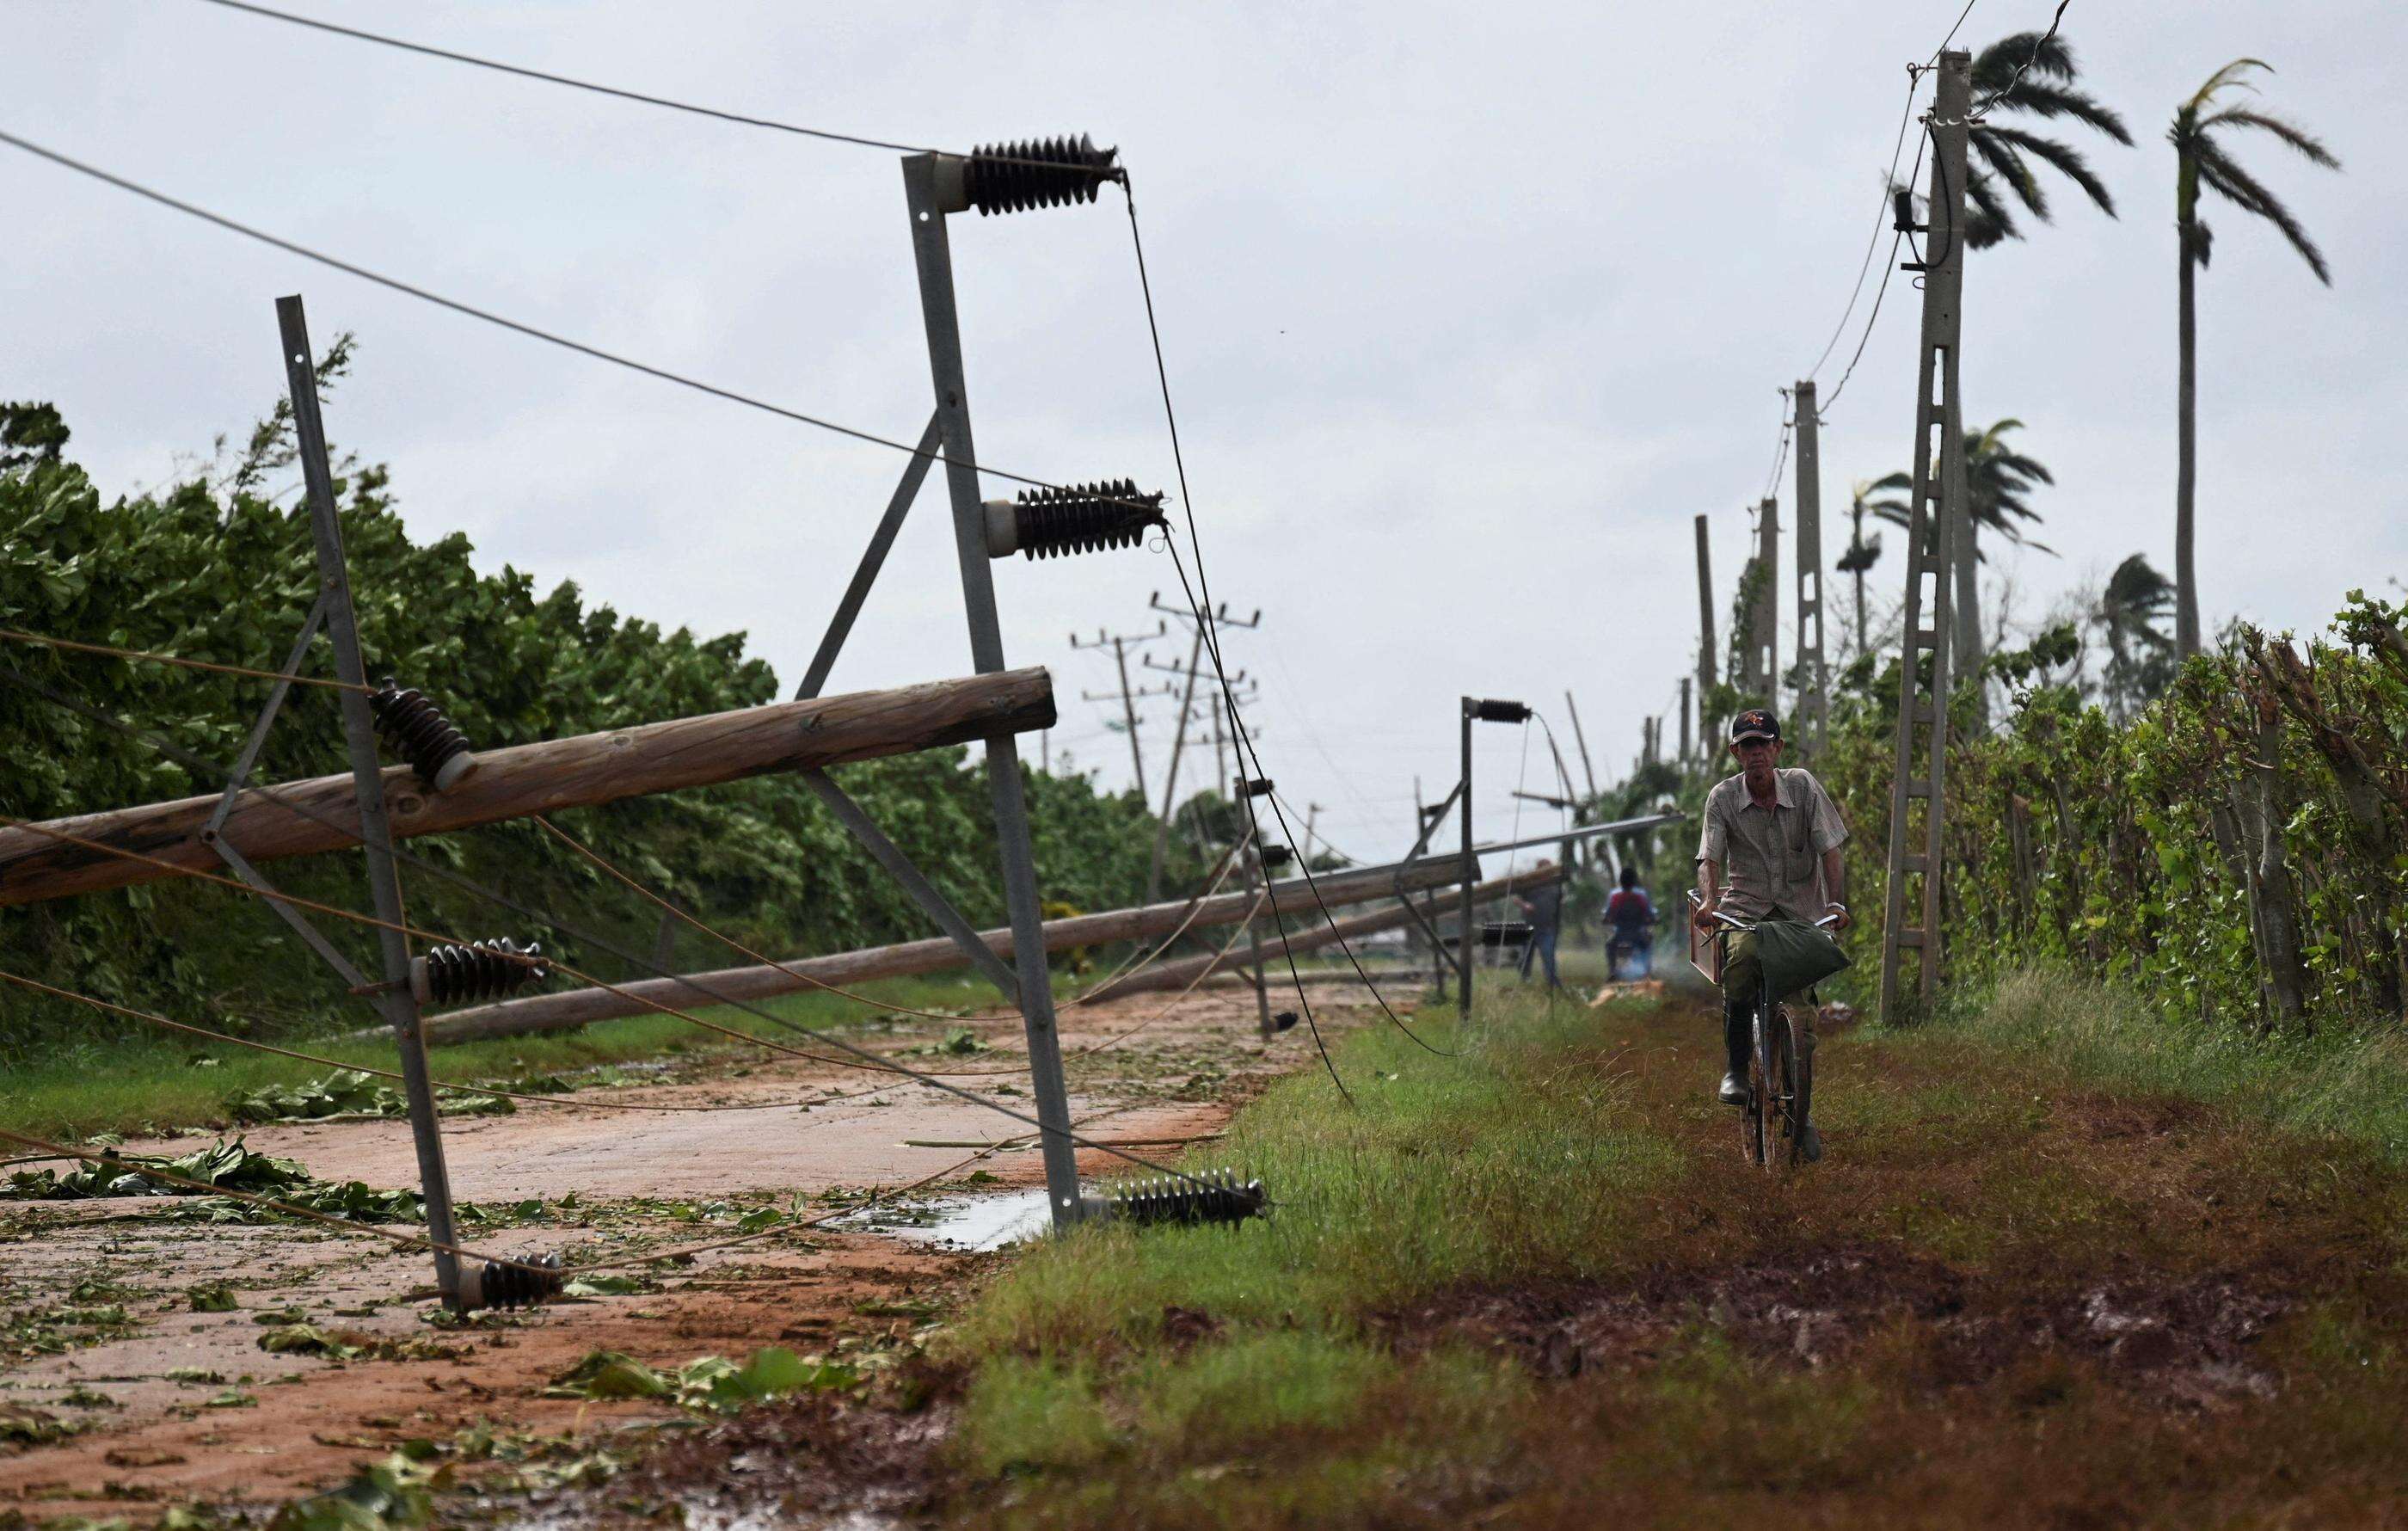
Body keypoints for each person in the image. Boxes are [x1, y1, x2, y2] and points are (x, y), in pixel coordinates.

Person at [1691, 707, 1852, 1161]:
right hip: (1747, 912)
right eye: (1747, 746)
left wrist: (1836, 904)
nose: (1756, 753)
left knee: (1801, 1016)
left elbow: (1831, 851)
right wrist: (1708, 901)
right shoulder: (1722, 798)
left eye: (1763, 744)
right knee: (1738, 965)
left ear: (1777, 749)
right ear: (1735, 753)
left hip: (1800, 916)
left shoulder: (1802, 786)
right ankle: (1737, 1070)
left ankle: (1802, 1113)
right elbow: (1709, 859)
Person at [1513, 859, 1564, 991]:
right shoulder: (1530, 883)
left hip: (1547, 928)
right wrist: (1525, 905)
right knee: (1526, 957)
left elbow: (1560, 904)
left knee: (1548, 957)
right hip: (1529, 927)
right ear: (1538, 870)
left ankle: (1553, 984)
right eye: (1545, 869)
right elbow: (1516, 899)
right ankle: (1525, 979)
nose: (1548, 872)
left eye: (1549, 869)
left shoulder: (1555, 886)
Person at [1602, 864, 1656, 979]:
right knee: (1647, 945)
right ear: (1634, 881)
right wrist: (1652, 919)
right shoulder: (1641, 895)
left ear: (1620, 880)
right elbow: (1650, 914)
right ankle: (1647, 971)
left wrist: (1607, 919)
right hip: (1638, 934)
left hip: (1620, 934)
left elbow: (1607, 914)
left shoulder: (1614, 895)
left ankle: (1612, 971)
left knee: (1610, 945)